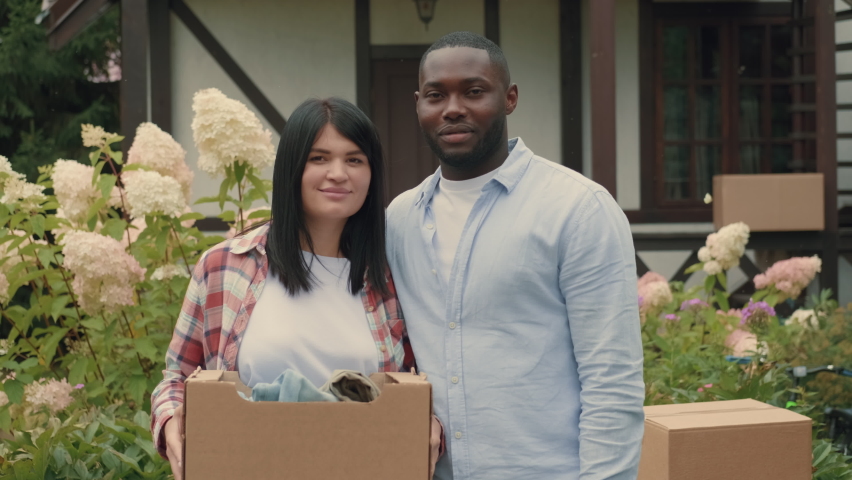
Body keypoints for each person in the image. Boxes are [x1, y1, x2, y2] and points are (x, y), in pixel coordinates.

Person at [385, 32, 645, 479]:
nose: (452, 108)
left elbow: (612, 383)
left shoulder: (578, 209)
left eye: (473, 91)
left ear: (509, 98)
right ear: (418, 105)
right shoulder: (399, 219)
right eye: (435, 95)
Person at [151, 98, 440, 479]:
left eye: (355, 160)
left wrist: (429, 422)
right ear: (291, 168)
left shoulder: (392, 275)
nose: (338, 173)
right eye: (319, 158)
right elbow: (178, 377)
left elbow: (420, 381)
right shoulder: (225, 266)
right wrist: (171, 421)